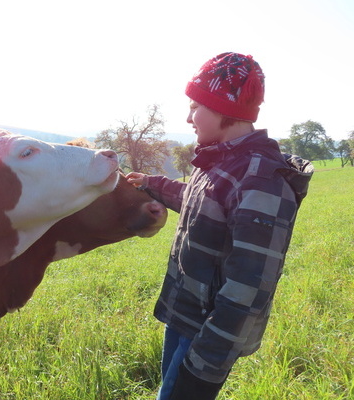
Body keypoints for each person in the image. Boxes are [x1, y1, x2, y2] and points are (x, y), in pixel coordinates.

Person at [126, 52, 314, 399]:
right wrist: (152, 183)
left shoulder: (261, 179)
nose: (188, 117)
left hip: (207, 335)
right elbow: (200, 203)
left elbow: (249, 289)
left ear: (224, 109)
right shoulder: (221, 157)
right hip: (185, 316)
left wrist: (203, 367)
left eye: (196, 107)